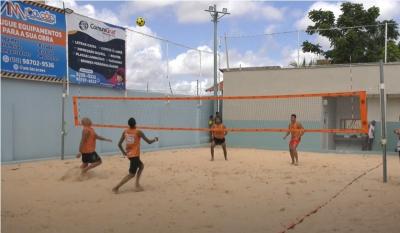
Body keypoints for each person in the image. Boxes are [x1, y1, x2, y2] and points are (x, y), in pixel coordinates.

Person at [112, 117, 158, 193]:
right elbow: (149, 142)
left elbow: (119, 144)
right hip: (134, 156)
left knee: (141, 166)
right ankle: (116, 187)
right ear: (135, 124)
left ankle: (137, 184)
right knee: (131, 174)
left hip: (130, 155)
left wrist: (124, 152)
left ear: (129, 125)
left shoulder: (125, 131)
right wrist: (155, 139)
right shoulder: (138, 132)